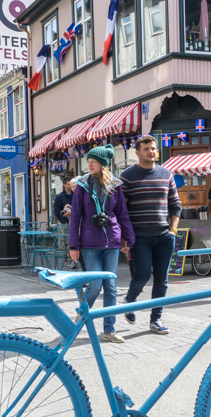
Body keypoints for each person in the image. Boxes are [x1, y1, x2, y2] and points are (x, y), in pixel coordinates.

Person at [68, 145, 135, 343]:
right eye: (88, 161)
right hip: (89, 243)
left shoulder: (115, 185)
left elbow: (122, 214)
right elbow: (76, 217)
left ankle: (109, 330)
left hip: (112, 241)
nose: (89, 164)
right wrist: (73, 245)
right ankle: (80, 316)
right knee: (95, 286)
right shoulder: (82, 185)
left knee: (111, 286)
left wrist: (128, 239)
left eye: (93, 162)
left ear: (102, 164)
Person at [120, 135, 182, 334]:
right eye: (146, 149)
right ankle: (130, 300)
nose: (151, 152)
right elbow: (121, 210)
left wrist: (173, 230)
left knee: (162, 279)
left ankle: (155, 320)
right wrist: (124, 237)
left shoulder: (166, 174)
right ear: (137, 152)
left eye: (153, 148)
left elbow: (176, 204)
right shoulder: (127, 176)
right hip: (139, 238)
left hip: (165, 236)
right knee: (143, 274)